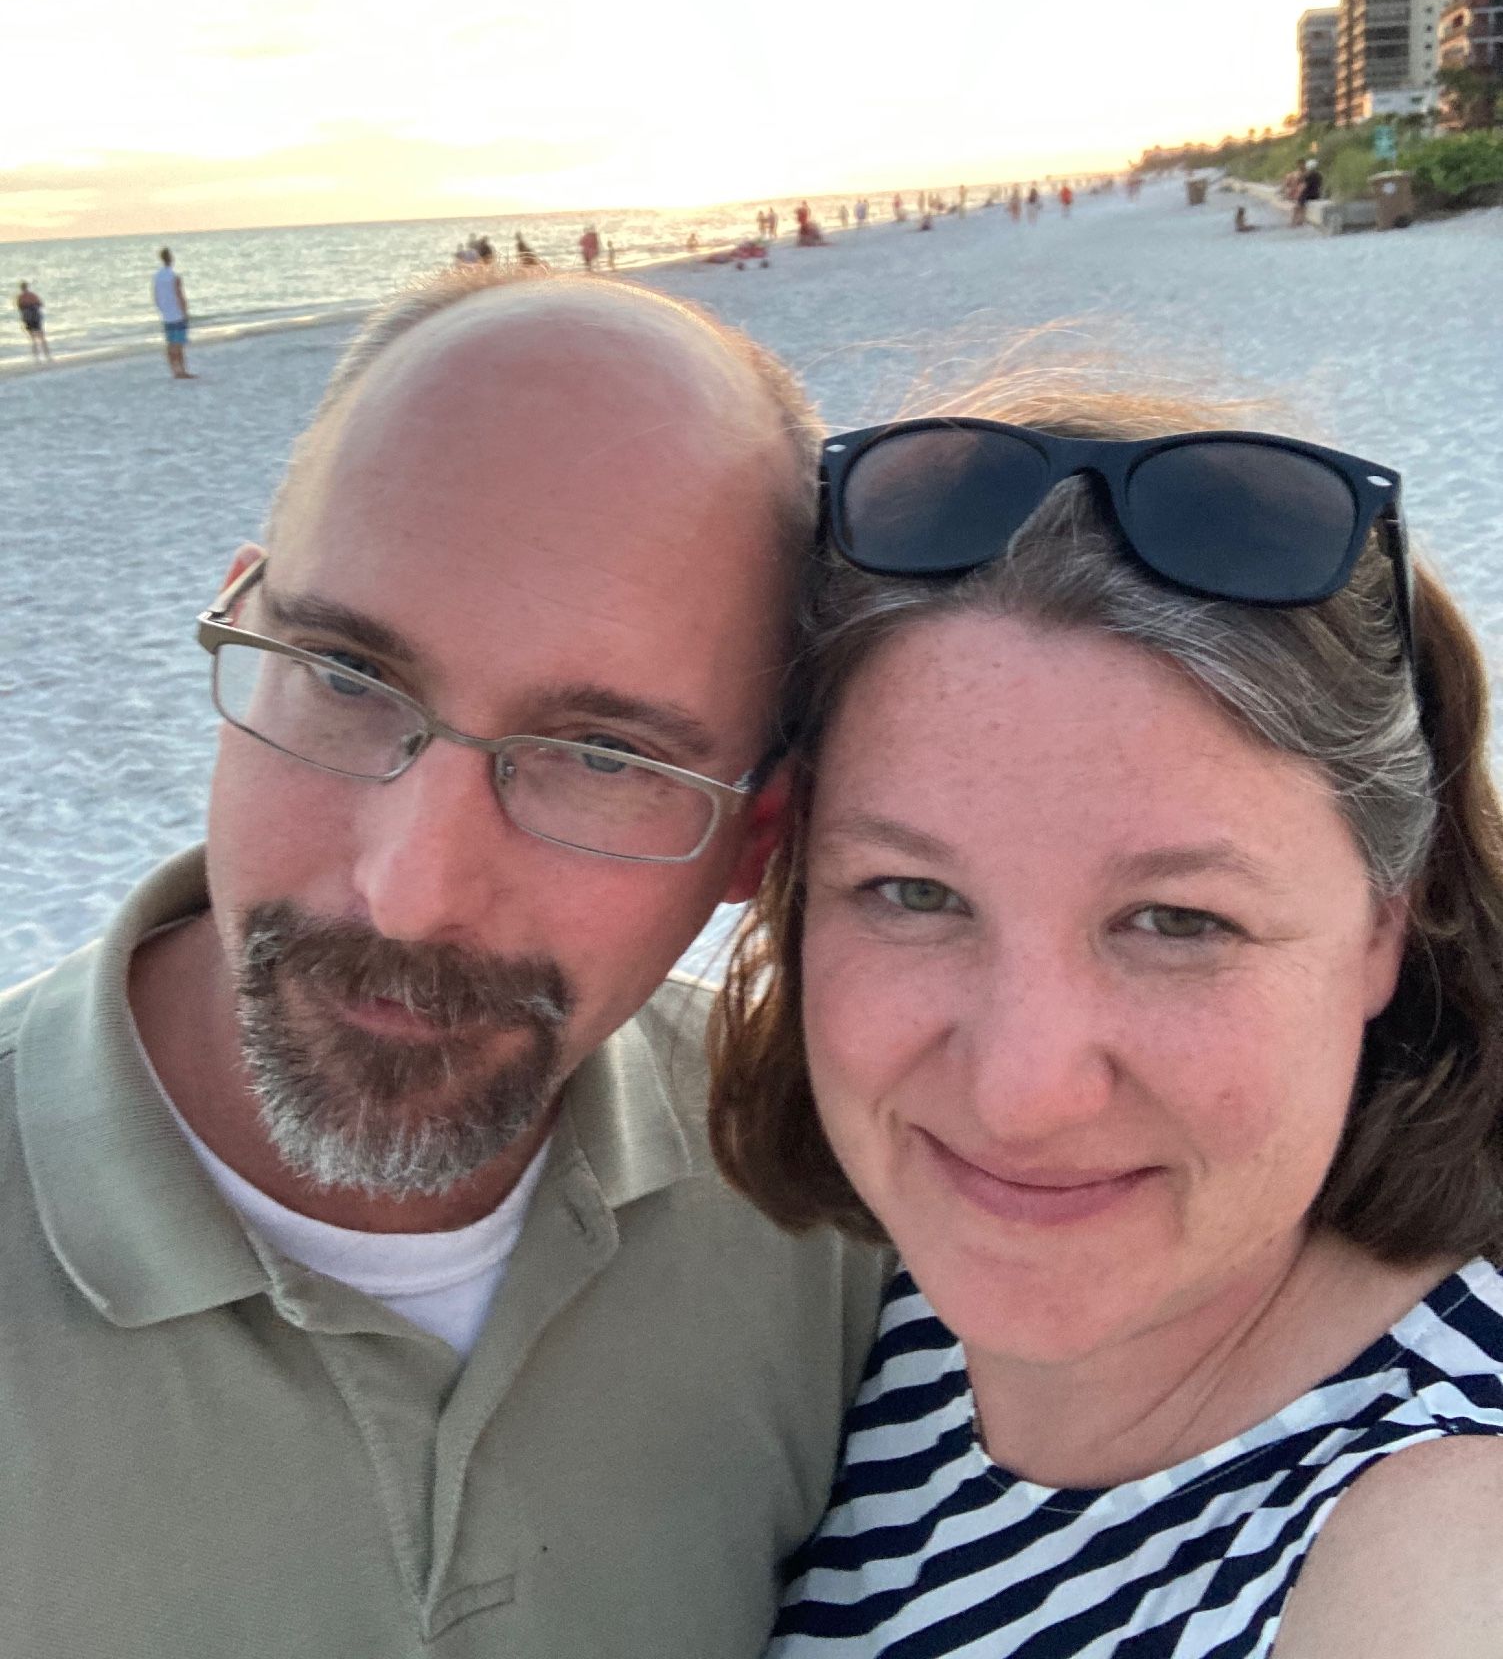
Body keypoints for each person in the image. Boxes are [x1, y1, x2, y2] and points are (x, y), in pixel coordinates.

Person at [0, 271, 884, 1658]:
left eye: (600, 757)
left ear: (748, 843)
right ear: (237, 622)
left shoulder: (834, 1201)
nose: (409, 892)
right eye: (347, 677)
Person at [711, 377, 1503, 1655]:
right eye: (913, 892)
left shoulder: (1437, 1532)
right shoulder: (865, 1314)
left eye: (1179, 920)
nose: (1023, 1092)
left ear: (1387, 925)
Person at [152, 246, 193, 378]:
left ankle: (174, 370)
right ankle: (181, 370)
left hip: (167, 314)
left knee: (170, 343)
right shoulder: (174, 276)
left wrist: (162, 308)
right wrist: (185, 311)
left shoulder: (157, 276)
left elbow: (156, 296)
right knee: (179, 344)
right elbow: (179, 294)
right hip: (176, 313)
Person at [15, 280, 51, 362]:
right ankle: (47, 355)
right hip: (36, 316)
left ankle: (36, 357)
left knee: (33, 338)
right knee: (41, 336)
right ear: (27, 287)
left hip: (27, 318)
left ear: (21, 288)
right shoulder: (33, 295)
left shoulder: (20, 297)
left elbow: (20, 308)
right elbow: (40, 304)